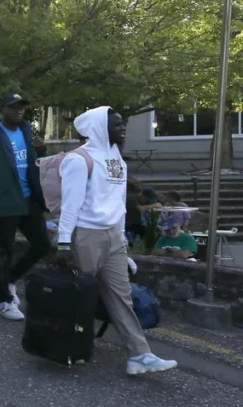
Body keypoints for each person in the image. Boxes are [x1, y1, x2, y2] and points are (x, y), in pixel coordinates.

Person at [57, 106, 177, 376]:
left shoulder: (117, 159)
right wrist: (64, 243)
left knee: (122, 297)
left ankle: (139, 354)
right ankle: (69, 347)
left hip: (113, 236)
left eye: (122, 124)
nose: (122, 129)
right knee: (81, 297)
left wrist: (122, 242)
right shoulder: (79, 160)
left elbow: (118, 205)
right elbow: (70, 205)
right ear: (100, 127)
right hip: (86, 235)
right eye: (117, 125)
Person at [0, 93, 50, 321]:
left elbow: (32, 163)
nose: (18, 111)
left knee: (43, 245)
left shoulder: (27, 132)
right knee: (3, 253)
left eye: (21, 108)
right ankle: (3, 301)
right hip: (5, 202)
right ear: (2, 109)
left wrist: (42, 150)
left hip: (29, 200)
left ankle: (10, 279)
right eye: (12, 107)